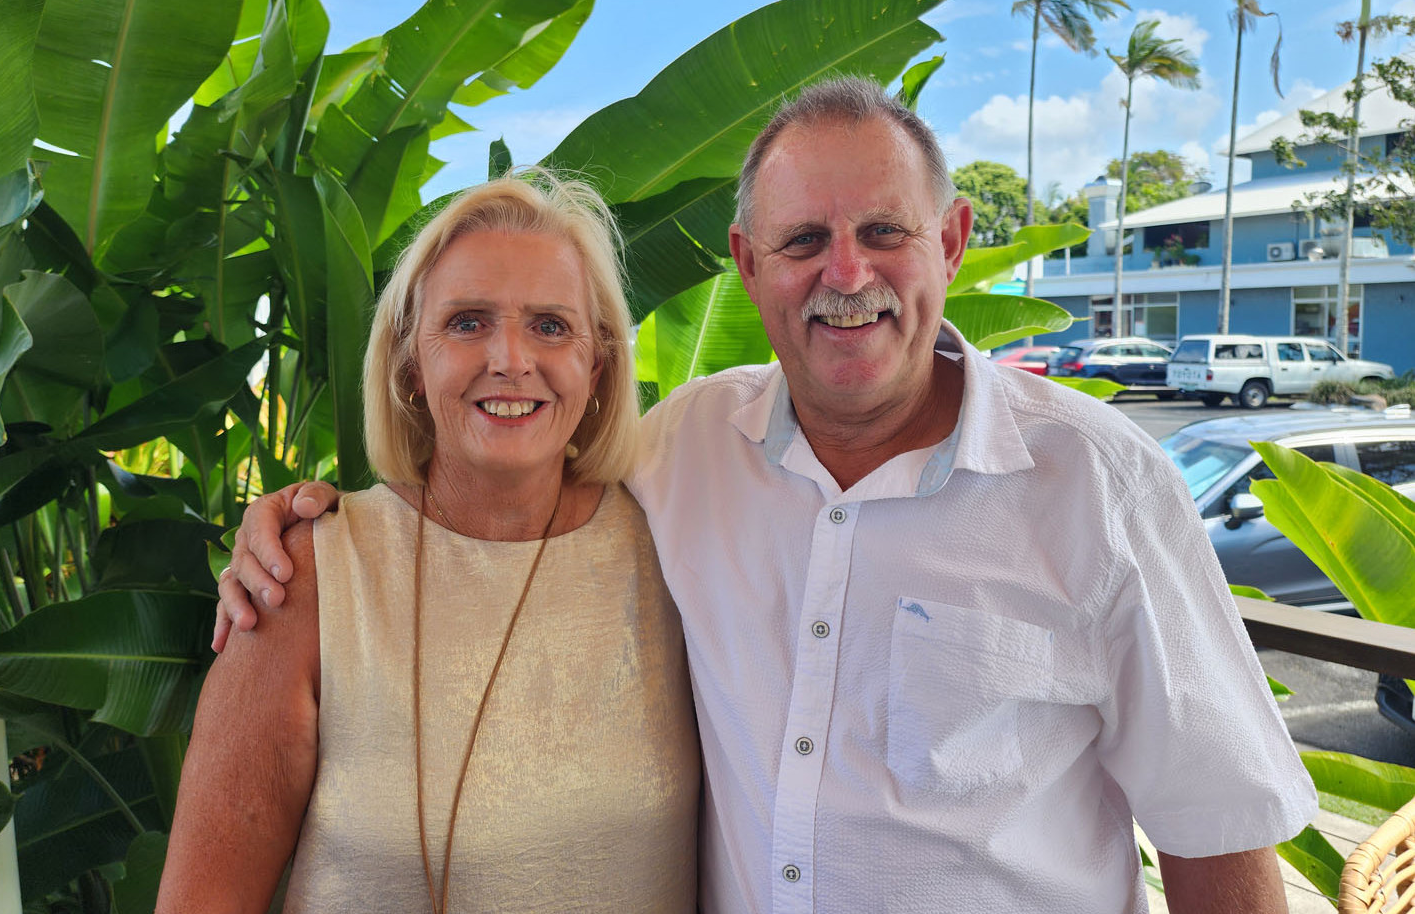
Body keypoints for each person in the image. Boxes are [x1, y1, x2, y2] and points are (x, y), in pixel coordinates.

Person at [219, 77, 1317, 914]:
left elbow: (1219, 835)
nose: (846, 274)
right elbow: (500, 475)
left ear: (949, 241)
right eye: (804, 241)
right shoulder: (684, 450)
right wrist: (299, 522)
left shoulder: (1102, 486)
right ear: (748, 265)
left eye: (883, 232)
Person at [159, 173, 698, 914]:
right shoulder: (307, 576)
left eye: (550, 325)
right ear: (411, 363)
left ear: (597, 366)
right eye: (468, 322)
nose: (510, 358)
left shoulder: (676, 546)